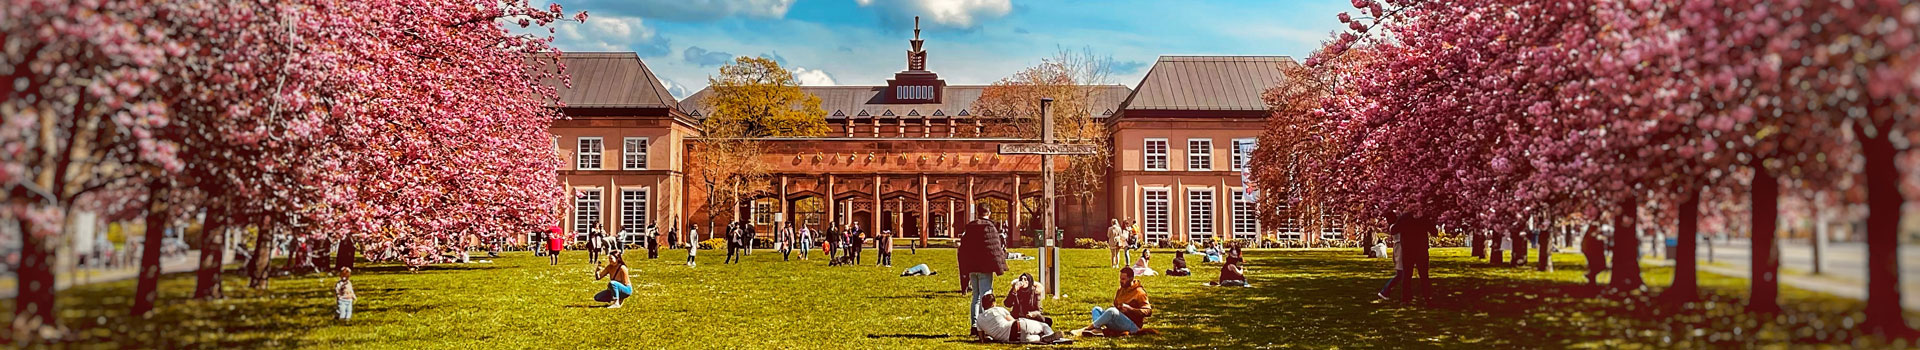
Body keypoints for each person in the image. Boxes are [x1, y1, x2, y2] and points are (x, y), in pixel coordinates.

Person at [960, 204, 1008, 337]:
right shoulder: (990, 227)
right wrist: (1000, 266)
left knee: (975, 297)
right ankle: (985, 325)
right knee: (985, 296)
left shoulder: (970, 227)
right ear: (989, 213)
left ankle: (974, 326)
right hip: (984, 267)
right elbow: (994, 249)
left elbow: (963, 248)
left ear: (977, 213)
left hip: (972, 267)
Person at [1074, 267, 1153, 337]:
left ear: (1131, 278)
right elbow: (1115, 306)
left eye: (1123, 279)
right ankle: (1098, 330)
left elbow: (1148, 311)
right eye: (1120, 279)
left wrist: (1130, 309)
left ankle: (1088, 328)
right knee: (1096, 309)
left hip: (1132, 325)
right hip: (1119, 321)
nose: (1121, 281)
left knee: (1112, 311)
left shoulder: (1139, 292)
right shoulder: (1121, 289)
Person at [974, 292, 1065, 344]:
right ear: (993, 303)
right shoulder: (998, 310)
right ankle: (1052, 336)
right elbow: (1012, 320)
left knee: (1034, 338)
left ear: (982, 305)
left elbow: (981, 338)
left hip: (1012, 339)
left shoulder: (979, 319)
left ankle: (1042, 339)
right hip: (1017, 326)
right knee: (1043, 325)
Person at [1398, 215, 1434, 304]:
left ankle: (1406, 298)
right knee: (1424, 275)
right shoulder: (1424, 218)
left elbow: (1394, 230)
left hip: (1408, 251)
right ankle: (1427, 297)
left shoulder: (1404, 218)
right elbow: (1434, 231)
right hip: (1421, 250)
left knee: (1407, 276)